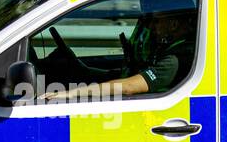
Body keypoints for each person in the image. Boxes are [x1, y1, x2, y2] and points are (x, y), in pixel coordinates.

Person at [39, 5, 196, 102]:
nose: (152, 28)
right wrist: (83, 70)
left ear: (173, 24)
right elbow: (126, 78)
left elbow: (129, 86)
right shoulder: (171, 49)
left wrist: (72, 93)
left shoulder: (176, 59)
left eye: (155, 22)